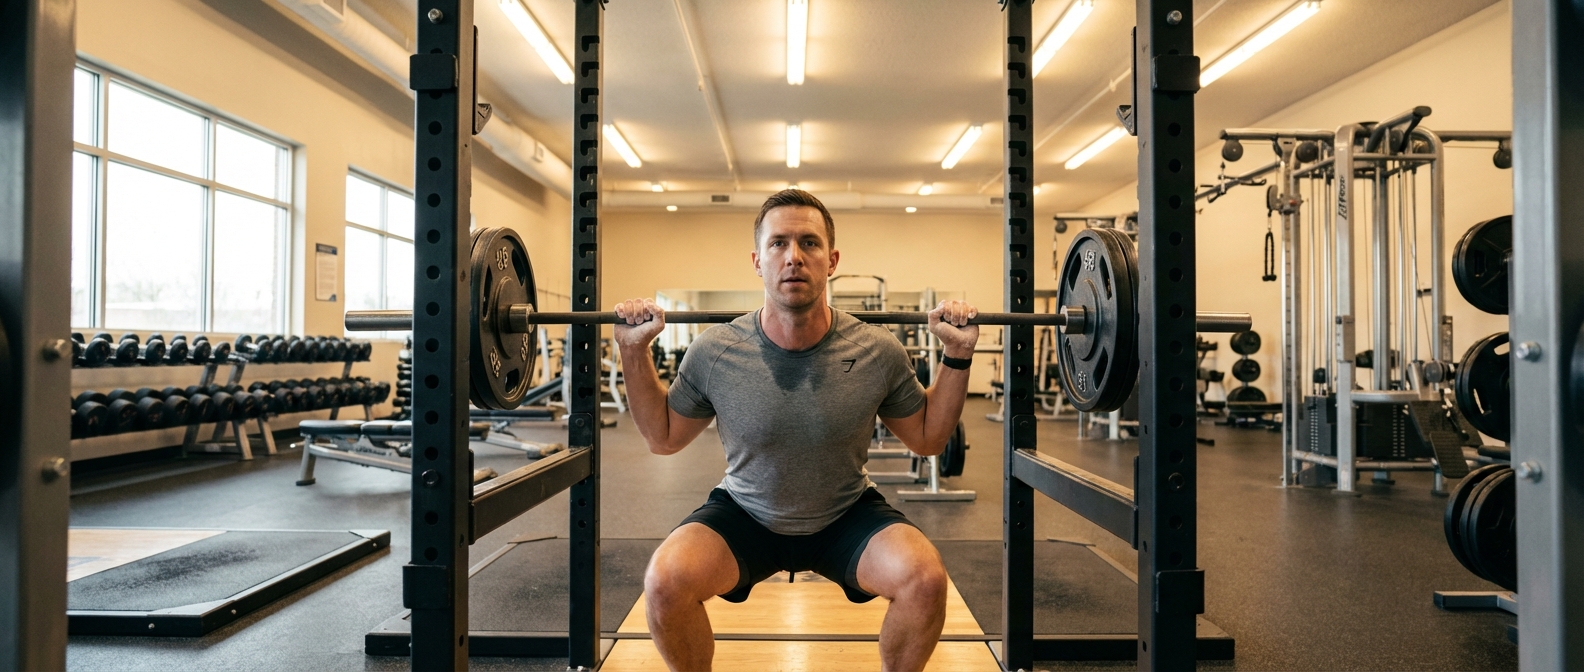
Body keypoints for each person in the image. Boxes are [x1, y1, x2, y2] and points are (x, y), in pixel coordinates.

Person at [612, 190, 979, 672]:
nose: (794, 257)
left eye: (809, 243)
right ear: (758, 261)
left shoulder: (876, 349)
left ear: (832, 260)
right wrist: (633, 352)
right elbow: (663, 438)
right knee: (664, 581)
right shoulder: (716, 349)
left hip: (845, 513)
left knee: (925, 579)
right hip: (746, 512)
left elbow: (929, 440)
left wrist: (957, 356)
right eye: (778, 243)